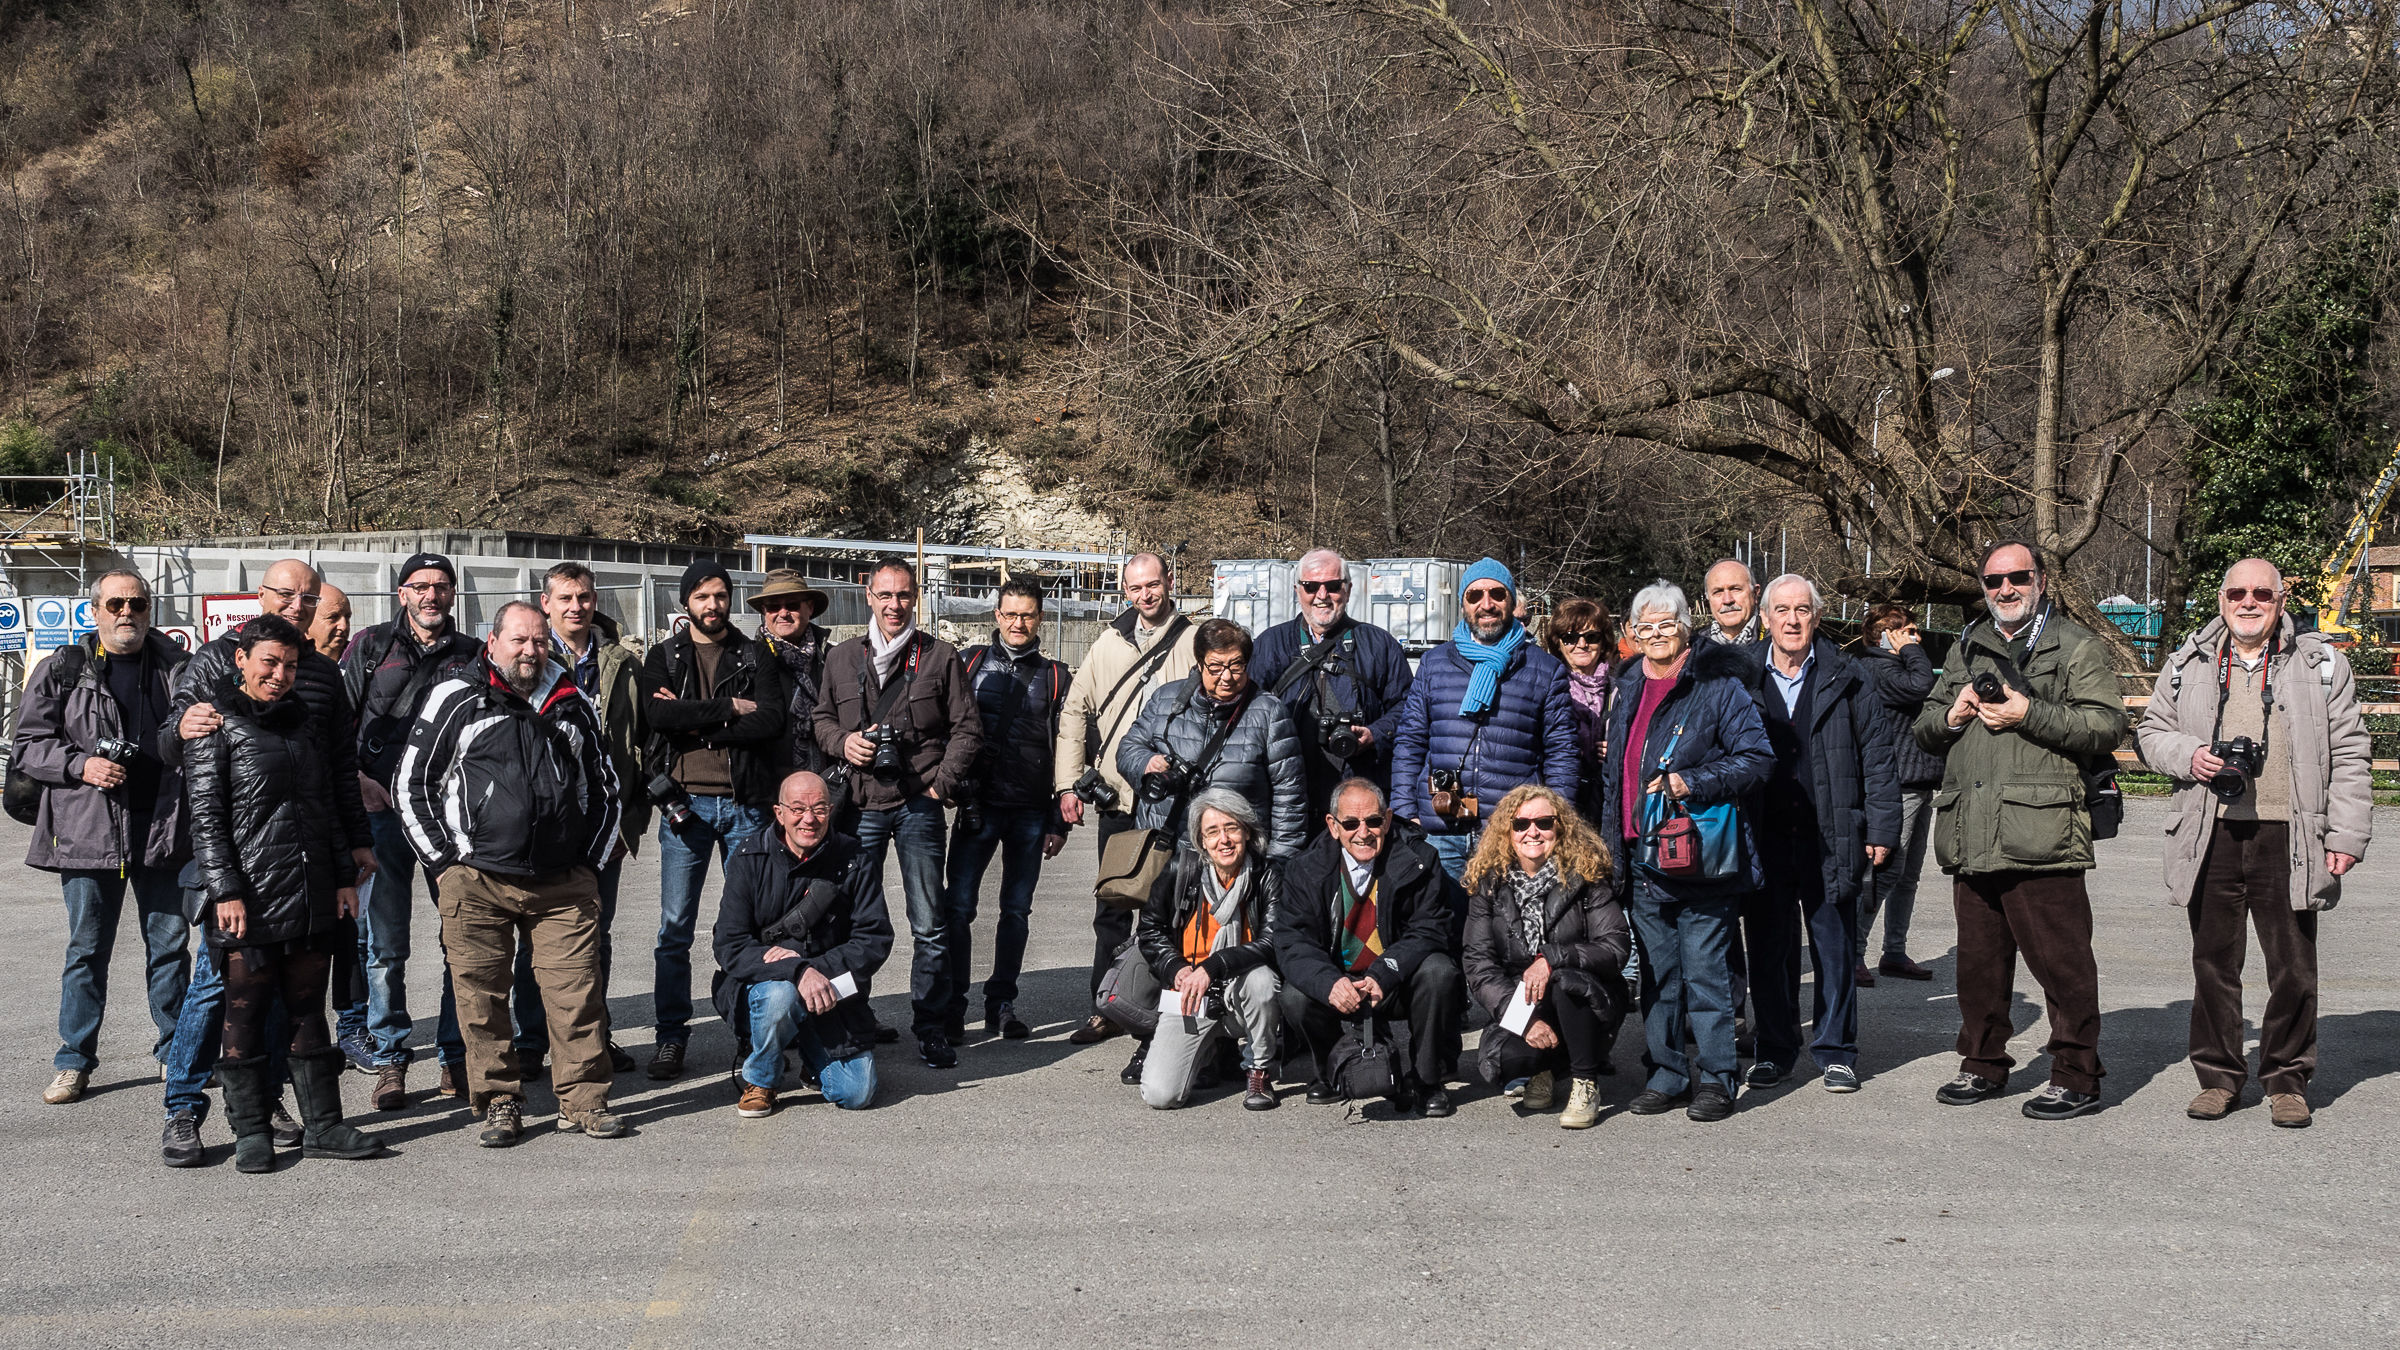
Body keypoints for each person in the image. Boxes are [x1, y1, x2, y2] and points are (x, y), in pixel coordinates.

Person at [2137, 558, 2372, 1129]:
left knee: (2292, 966)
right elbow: (2150, 732)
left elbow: (2350, 753)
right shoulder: (2187, 662)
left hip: (2291, 834)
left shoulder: (2319, 664)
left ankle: (2286, 1079)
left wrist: (2346, 834)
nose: (2249, 602)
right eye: (2237, 592)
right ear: (2221, 598)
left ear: (2281, 598)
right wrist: (2189, 756)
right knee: (2214, 963)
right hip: (2209, 830)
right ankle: (2217, 1078)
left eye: (2261, 593)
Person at [157, 559, 374, 1165]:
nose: (298, 605)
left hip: (303, 868)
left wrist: (354, 852)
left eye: (310, 597)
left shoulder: (323, 681)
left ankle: (291, 1112)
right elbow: (177, 755)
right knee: (220, 994)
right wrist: (182, 726)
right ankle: (184, 1108)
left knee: (297, 998)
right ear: (261, 597)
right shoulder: (209, 671)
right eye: (287, 594)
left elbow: (336, 776)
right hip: (240, 871)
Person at [397, 602, 626, 1147]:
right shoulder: (457, 697)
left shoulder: (572, 702)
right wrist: (445, 863)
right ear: (493, 641)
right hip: (477, 879)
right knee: (481, 1000)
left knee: (577, 995)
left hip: (562, 882)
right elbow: (412, 783)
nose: (531, 650)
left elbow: (606, 786)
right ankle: (500, 1100)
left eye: (540, 641)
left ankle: (584, 1100)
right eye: (519, 639)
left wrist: (590, 863)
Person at [1914, 541, 2127, 1121]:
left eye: (2017, 578)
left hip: (2043, 832)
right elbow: (1925, 727)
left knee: (2062, 963)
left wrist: (2027, 713)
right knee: (1978, 965)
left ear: (2039, 579)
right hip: (1970, 829)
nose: (2005, 590)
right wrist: (1953, 714)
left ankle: (2077, 1074)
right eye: (1993, 581)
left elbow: (2107, 725)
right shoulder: (1966, 643)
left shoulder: (2075, 644)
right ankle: (1982, 1064)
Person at [15, 570, 190, 1106]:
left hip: (162, 830)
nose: (126, 613)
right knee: (87, 950)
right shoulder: (63, 669)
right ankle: (73, 1062)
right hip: (89, 835)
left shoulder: (177, 667)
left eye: (137, 603)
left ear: (148, 609)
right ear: (95, 611)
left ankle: (174, 1054)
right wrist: (81, 765)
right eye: (115, 603)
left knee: (170, 949)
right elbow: (27, 745)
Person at [1601, 580, 1772, 1123]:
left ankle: (1717, 1078)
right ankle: (1667, 1073)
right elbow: (1615, 778)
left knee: (1706, 973)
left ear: (1685, 626)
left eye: (1666, 624)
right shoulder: (1626, 682)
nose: (1655, 635)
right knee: (1657, 975)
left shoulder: (1717, 685)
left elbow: (1757, 759)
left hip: (1698, 855)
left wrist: (1690, 782)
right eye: (1644, 627)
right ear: (1631, 634)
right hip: (1640, 851)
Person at [813, 557, 979, 1069]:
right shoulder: (841, 657)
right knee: (850, 917)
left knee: (929, 921)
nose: (894, 605)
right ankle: (856, 1016)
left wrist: (940, 788)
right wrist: (844, 744)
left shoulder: (939, 656)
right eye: (885, 595)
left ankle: (930, 1025)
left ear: (916, 598)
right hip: (859, 806)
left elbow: (967, 729)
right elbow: (820, 719)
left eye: (904, 595)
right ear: (869, 596)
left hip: (917, 805)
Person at [1738, 574, 1900, 1094]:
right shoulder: (1741, 678)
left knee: (1833, 948)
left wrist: (1881, 826)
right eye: (1781, 610)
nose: (1791, 620)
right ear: (1764, 619)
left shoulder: (1848, 677)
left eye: (1802, 610)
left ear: (1816, 616)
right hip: (1763, 835)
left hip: (1831, 835)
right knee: (1767, 949)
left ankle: (1836, 1050)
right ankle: (1774, 1049)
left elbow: (1878, 758)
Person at [341, 551, 482, 1109]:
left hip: (449, 818)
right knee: (385, 946)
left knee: (460, 941)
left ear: (453, 593)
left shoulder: (474, 654)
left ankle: (454, 1057)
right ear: (401, 593)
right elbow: (338, 726)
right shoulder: (371, 647)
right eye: (420, 586)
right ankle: (391, 1056)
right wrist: (359, 782)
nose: (431, 595)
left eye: (441, 586)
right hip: (382, 817)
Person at [641, 560, 791, 1081]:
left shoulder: (755, 653)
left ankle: (749, 1036)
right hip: (685, 808)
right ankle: (670, 1036)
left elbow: (773, 720)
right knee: (675, 928)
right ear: (686, 602)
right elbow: (657, 717)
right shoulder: (662, 657)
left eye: (721, 595)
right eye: (702, 596)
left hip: (745, 803)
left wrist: (699, 721)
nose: (713, 604)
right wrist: (728, 706)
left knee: (750, 926)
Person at [1053, 552, 1195, 1048]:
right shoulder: (1108, 641)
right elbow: (1075, 711)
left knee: (1172, 905)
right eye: (1135, 589)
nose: (1146, 596)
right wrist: (1068, 783)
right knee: (1113, 904)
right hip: (1119, 796)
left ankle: (1167, 1003)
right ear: (1124, 591)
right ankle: (1106, 1005)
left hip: (1174, 800)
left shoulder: (1196, 641)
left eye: (1153, 585)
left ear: (1170, 581)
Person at [518, 561, 651, 1076]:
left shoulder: (621, 663)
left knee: (596, 935)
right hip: (541, 826)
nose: (577, 607)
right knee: (536, 934)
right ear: (546, 603)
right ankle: (531, 1041)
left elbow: (638, 746)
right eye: (566, 598)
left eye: (585, 597)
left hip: (603, 827)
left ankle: (595, 1036)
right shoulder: (527, 655)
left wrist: (626, 822)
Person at [1273, 779, 1464, 1116]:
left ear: (1387, 820)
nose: (1363, 832)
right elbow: (1292, 941)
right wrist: (1330, 982)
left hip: (1393, 978)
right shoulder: (1304, 868)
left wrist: (1384, 973)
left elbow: (1431, 928)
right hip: (1339, 980)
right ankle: (1332, 1070)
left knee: (1439, 971)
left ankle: (1425, 1079)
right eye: (1350, 823)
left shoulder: (1420, 859)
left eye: (1373, 821)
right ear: (1333, 826)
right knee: (1295, 995)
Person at [712, 771, 892, 1118]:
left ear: (831, 810)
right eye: (797, 809)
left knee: (856, 1092)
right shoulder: (748, 859)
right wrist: (795, 970)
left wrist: (814, 972)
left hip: (832, 989)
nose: (808, 819)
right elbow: (729, 945)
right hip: (764, 987)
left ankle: (813, 1055)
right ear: (779, 813)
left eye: (819, 809)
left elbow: (874, 938)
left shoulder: (854, 859)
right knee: (781, 995)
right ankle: (762, 1078)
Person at [1390, 558, 1579, 883]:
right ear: (1463, 603)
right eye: (1475, 595)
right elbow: (1410, 742)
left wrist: (1553, 820)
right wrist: (1407, 813)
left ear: (1511, 601)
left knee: (1505, 933)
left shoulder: (1544, 671)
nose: (1486, 604)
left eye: (1497, 594)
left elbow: (1562, 754)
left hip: (1511, 833)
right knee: (1442, 929)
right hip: (1439, 830)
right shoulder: (1435, 664)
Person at [940, 579, 1070, 1044]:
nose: (1018, 623)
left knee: (1016, 911)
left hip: (1032, 812)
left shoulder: (1057, 676)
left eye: (1028, 615)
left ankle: (1002, 1003)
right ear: (996, 615)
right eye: (1010, 614)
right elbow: (944, 727)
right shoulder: (968, 663)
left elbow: (1069, 751)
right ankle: (953, 1006)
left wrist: (1059, 820)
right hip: (978, 805)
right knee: (957, 908)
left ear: (1040, 618)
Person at [1462, 785, 1629, 1129]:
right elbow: (1479, 965)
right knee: (1509, 1060)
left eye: (1544, 822)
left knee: (1564, 980)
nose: (1532, 832)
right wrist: (1522, 1021)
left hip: (1588, 996)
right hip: (1523, 999)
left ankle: (1585, 1081)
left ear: (1561, 827)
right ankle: (1543, 1071)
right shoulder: (1489, 885)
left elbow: (1615, 947)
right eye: (1521, 824)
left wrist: (1552, 958)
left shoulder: (1587, 875)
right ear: (1507, 833)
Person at [1133, 788, 1283, 1111]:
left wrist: (1214, 966)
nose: (1224, 840)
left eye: (1232, 828)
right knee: (1161, 1094)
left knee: (1262, 980)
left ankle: (1259, 1068)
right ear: (1201, 841)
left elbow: (1273, 942)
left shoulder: (1267, 875)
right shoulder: (1182, 871)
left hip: (1241, 991)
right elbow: (1148, 929)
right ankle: (1211, 1052)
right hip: (1190, 994)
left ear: (1247, 832)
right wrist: (1176, 969)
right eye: (1212, 832)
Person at [1249, 548, 1414, 824]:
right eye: (1311, 586)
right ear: (1297, 590)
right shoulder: (1270, 645)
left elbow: (1408, 708)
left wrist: (1375, 734)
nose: (1322, 596)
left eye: (1333, 586)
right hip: (1288, 798)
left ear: (1347, 590)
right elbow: (1249, 715)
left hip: (1359, 801)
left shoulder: (1379, 645)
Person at [1855, 604, 1940, 985]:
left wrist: (1906, 649)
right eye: (1907, 631)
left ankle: (1894, 952)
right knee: (1885, 873)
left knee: (1909, 876)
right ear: (1884, 636)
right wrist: (1908, 650)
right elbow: (1921, 685)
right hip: (1897, 784)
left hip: (1919, 781)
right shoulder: (1878, 668)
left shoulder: (1895, 666)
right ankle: (1852, 952)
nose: (1916, 638)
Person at [1544, 596, 1620, 827]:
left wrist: (1617, 747)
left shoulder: (1621, 687)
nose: (1582, 644)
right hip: (1561, 796)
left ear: (1603, 641)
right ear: (1558, 643)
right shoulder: (1548, 685)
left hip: (1608, 799)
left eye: (1591, 637)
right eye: (1570, 638)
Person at [749, 568, 833, 777]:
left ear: (810, 608)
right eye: (774, 607)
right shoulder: (746, 660)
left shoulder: (833, 657)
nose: (783, 613)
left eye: (792, 605)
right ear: (764, 611)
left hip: (826, 780)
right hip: (768, 782)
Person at [1701, 559, 1762, 646]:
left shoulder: (1776, 644)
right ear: (1708, 599)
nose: (1727, 600)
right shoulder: (1692, 649)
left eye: (1735, 589)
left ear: (1755, 594)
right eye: (1718, 592)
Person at [308, 583, 353, 663]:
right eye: (333, 617)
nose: (344, 626)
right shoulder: (289, 661)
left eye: (347, 617)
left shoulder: (362, 661)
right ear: (307, 620)